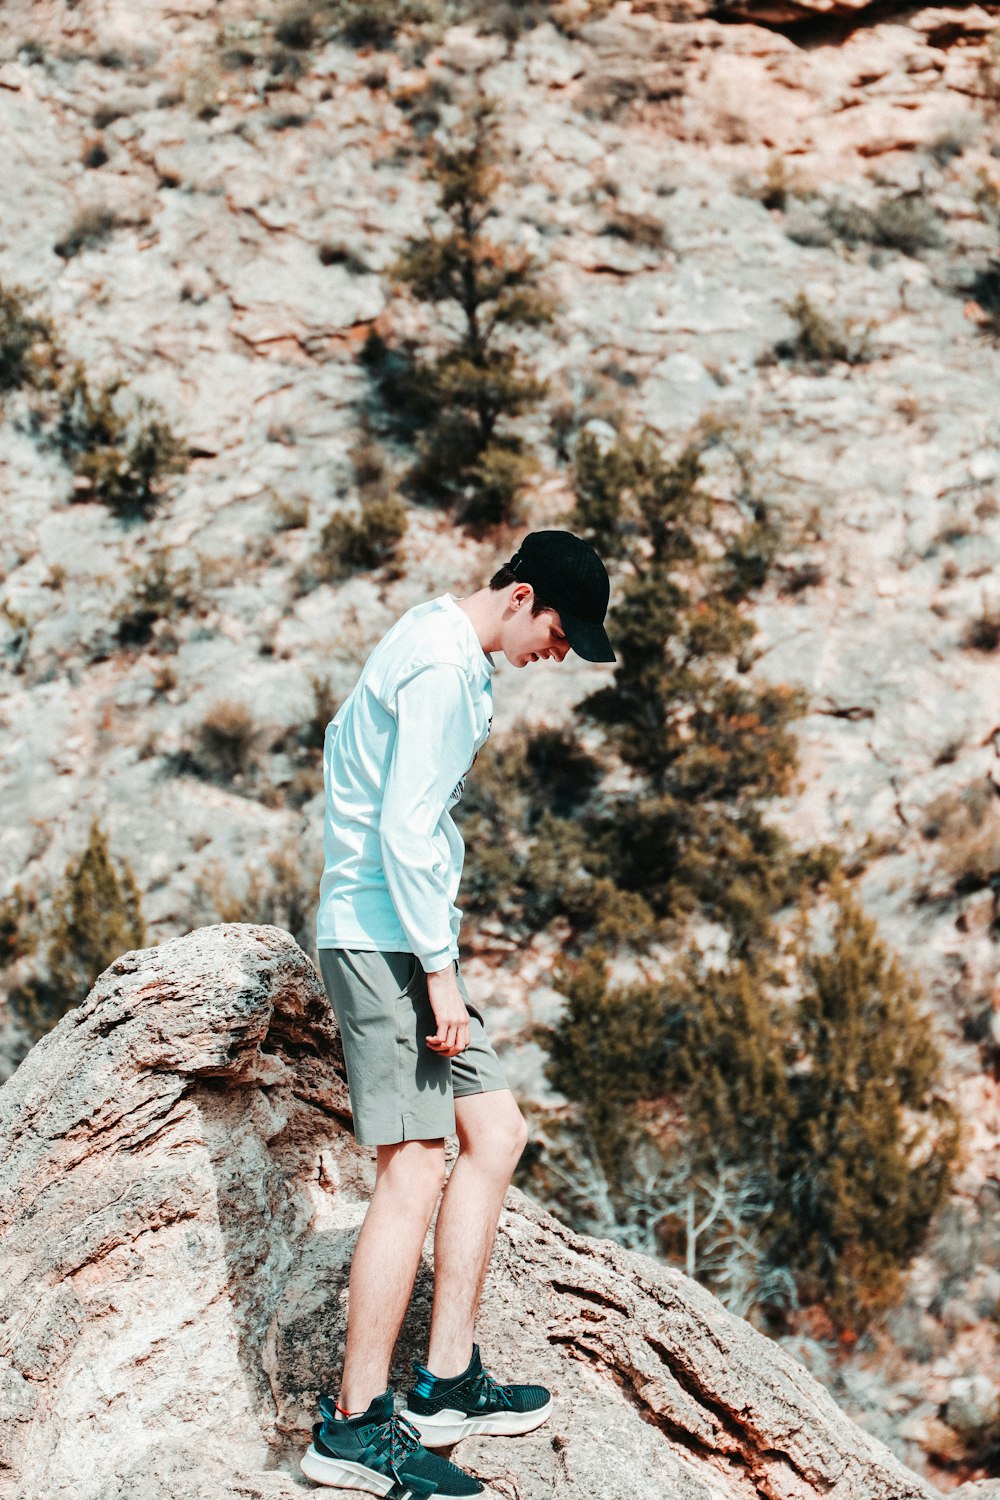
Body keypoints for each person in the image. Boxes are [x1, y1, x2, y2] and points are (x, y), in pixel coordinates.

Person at [301, 531, 615, 1498]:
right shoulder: (441, 663)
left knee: (497, 1130)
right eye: (560, 633)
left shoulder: (446, 646)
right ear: (520, 597)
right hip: (383, 940)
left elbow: (347, 757)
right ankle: (353, 1429)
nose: (559, 654)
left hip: (408, 931)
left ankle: (444, 1383)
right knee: (415, 1165)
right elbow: (400, 825)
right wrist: (439, 970)